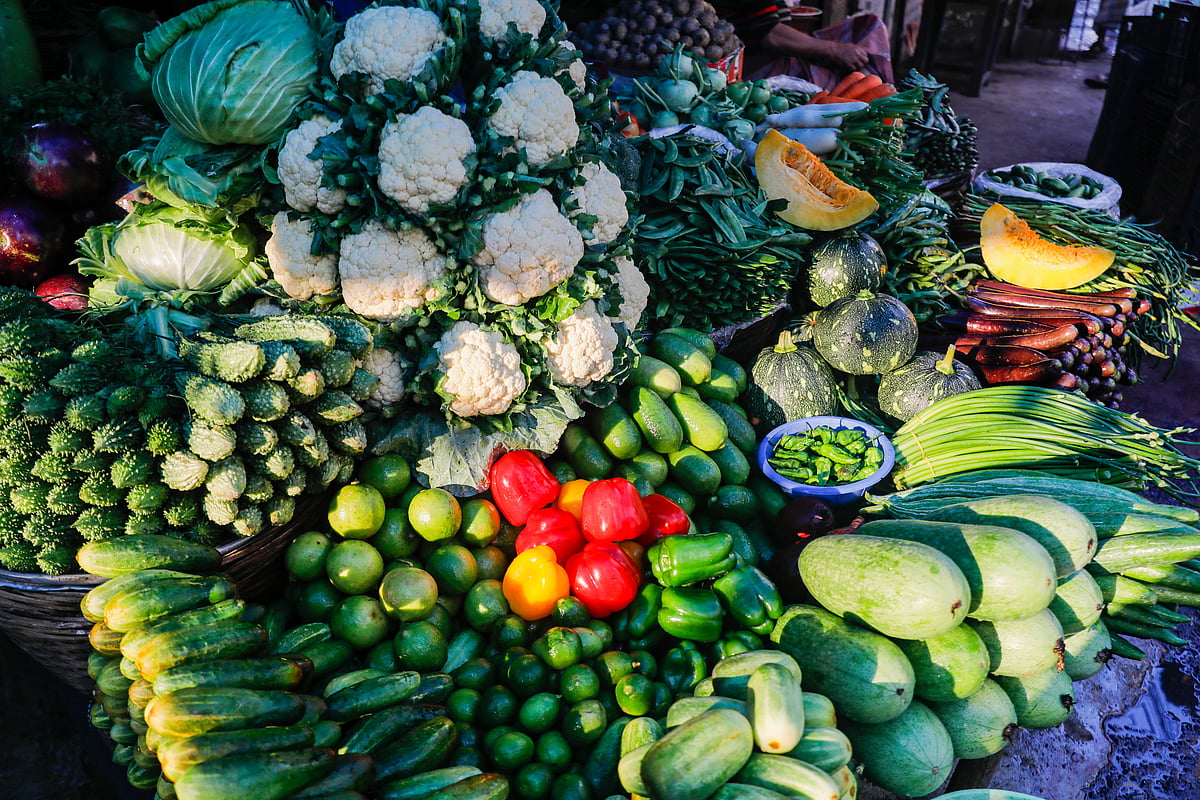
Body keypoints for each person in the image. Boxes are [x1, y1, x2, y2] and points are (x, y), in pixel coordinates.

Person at [712, 1, 894, 88]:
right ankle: (873, 88)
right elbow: (772, 36)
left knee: (870, 26)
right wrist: (835, 50)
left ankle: (874, 85)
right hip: (755, 66)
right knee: (845, 85)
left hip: (774, 51)